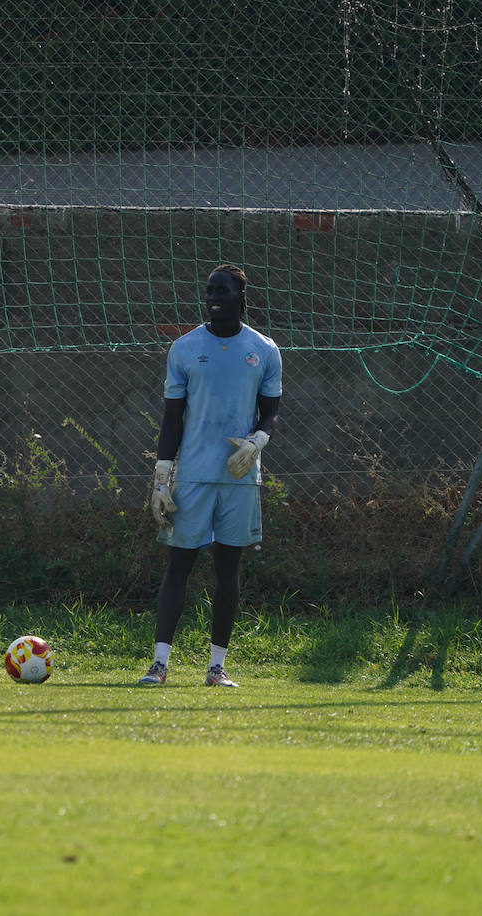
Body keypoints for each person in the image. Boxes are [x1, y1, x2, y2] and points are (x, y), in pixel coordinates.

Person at [139, 264, 282, 687]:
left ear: (241, 295)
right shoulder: (184, 348)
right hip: (195, 476)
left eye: (222, 290)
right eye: (209, 291)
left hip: (240, 477)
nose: (213, 297)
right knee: (178, 566)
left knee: (228, 571)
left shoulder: (264, 349)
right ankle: (159, 664)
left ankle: (216, 668)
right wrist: (163, 475)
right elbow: (172, 417)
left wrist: (258, 441)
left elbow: (271, 410)